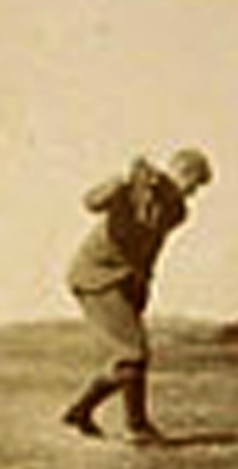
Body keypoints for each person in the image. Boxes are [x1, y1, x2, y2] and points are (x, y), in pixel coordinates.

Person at [61, 148, 213, 444]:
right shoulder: (133, 185)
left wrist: (140, 289)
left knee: (132, 357)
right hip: (96, 277)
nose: (193, 193)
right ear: (182, 172)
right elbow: (91, 202)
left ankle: (82, 414)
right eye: (193, 184)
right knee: (133, 354)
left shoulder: (177, 211)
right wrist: (124, 182)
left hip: (124, 282)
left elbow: (146, 243)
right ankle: (135, 427)